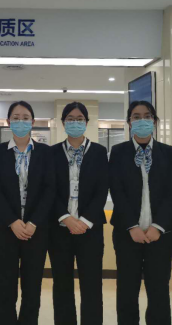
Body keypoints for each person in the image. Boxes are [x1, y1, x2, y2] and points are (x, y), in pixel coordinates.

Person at [109, 100, 172, 325]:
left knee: (159, 290)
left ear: (155, 121)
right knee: (127, 290)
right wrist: (132, 226)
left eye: (147, 116)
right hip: (127, 233)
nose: (142, 120)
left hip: (161, 235)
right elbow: (117, 191)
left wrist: (158, 226)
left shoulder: (168, 152)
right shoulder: (118, 152)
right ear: (129, 122)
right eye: (136, 116)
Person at [0, 101, 55, 325]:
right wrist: (12, 221)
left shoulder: (45, 152)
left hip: (36, 231)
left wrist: (33, 222)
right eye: (16, 118)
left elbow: (50, 189)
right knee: (5, 287)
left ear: (33, 122)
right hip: (5, 230)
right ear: (8, 122)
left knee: (32, 287)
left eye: (25, 117)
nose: (21, 121)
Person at [49, 102, 108, 325]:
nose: (75, 122)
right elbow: (48, 189)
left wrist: (84, 220)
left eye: (79, 119)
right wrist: (66, 217)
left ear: (86, 122)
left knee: (92, 284)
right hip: (59, 229)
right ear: (63, 123)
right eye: (70, 119)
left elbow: (102, 189)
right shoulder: (52, 153)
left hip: (90, 230)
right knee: (62, 284)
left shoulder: (99, 152)